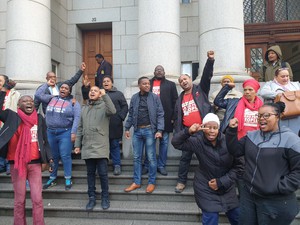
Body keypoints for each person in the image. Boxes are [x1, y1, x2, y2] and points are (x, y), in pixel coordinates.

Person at [226, 102, 300, 225]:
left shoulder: (291, 140)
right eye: (259, 116)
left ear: (278, 117)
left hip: (274, 201)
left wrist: (278, 186)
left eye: (266, 115)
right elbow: (235, 150)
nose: (261, 119)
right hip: (249, 196)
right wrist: (231, 131)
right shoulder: (251, 136)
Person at [172, 113, 242, 225]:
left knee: (237, 218)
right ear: (203, 128)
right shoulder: (197, 141)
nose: (211, 131)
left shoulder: (228, 141)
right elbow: (176, 142)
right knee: (211, 218)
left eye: (215, 128)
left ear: (219, 129)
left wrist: (221, 182)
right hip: (205, 187)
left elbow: (239, 167)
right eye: (208, 127)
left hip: (226, 187)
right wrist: (189, 131)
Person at [0, 95, 53, 225]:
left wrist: (50, 158)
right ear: (18, 105)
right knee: (20, 199)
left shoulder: (39, 118)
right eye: (25, 101)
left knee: (37, 199)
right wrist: (2, 90)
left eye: (30, 101)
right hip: (17, 164)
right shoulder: (11, 117)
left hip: (35, 164)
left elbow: (45, 140)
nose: (29, 102)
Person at [174, 50, 214, 193]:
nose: (184, 82)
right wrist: (179, 133)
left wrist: (210, 61)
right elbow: (178, 118)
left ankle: (212, 180)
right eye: (181, 81)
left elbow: (206, 77)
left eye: (185, 79)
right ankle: (181, 181)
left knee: (207, 157)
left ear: (190, 80)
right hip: (188, 133)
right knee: (185, 158)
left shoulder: (201, 90)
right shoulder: (179, 99)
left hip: (203, 131)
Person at [74, 86, 116, 211]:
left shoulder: (104, 106)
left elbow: (113, 111)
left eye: (95, 90)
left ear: (100, 93)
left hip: (101, 146)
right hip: (87, 146)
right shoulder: (84, 108)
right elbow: (80, 128)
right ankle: (91, 197)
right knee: (90, 174)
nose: (92, 92)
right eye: (91, 90)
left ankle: (105, 197)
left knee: (103, 174)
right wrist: (77, 145)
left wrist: (105, 95)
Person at [35, 82, 81, 191]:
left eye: (66, 88)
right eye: (62, 88)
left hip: (65, 132)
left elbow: (77, 118)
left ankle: (68, 178)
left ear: (69, 91)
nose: (63, 89)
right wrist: (47, 84)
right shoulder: (51, 98)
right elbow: (38, 95)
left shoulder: (73, 103)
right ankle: (52, 177)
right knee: (53, 157)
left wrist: (73, 132)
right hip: (50, 132)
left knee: (65, 156)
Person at [124, 76, 164, 194]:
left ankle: (151, 182)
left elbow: (160, 114)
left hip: (150, 131)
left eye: (148, 84)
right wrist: (127, 128)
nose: (147, 85)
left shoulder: (155, 98)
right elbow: (131, 114)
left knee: (151, 157)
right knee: (136, 158)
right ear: (139, 85)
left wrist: (159, 130)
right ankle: (136, 182)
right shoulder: (135, 98)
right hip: (137, 131)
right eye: (144, 84)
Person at [81, 75, 128, 175]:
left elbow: (125, 106)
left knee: (114, 145)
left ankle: (116, 165)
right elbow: (87, 97)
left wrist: (120, 117)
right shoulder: (99, 93)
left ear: (112, 83)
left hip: (114, 124)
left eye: (108, 81)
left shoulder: (118, 94)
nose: (106, 83)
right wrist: (85, 88)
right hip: (100, 126)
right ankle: (101, 167)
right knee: (101, 148)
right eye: (104, 81)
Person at [143, 65, 178, 176]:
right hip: (149, 120)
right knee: (149, 143)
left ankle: (161, 165)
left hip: (166, 119)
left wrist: (173, 117)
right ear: (154, 72)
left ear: (164, 72)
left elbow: (175, 102)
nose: (159, 71)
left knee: (164, 143)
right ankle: (147, 165)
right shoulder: (148, 83)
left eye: (161, 70)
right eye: (157, 70)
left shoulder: (171, 85)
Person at [260, 67, 300, 136]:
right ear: (276, 77)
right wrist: (279, 95)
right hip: (279, 116)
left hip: (296, 116)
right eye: (282, 76)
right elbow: (263, 93)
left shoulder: (296, 84)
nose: (286, 78)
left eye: (287, 76)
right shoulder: (270, 84)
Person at [0, 74, 21, 175]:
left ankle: (8, 164)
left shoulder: (14, 94)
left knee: (9, 143)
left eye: (0, 81)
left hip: (9, 121)